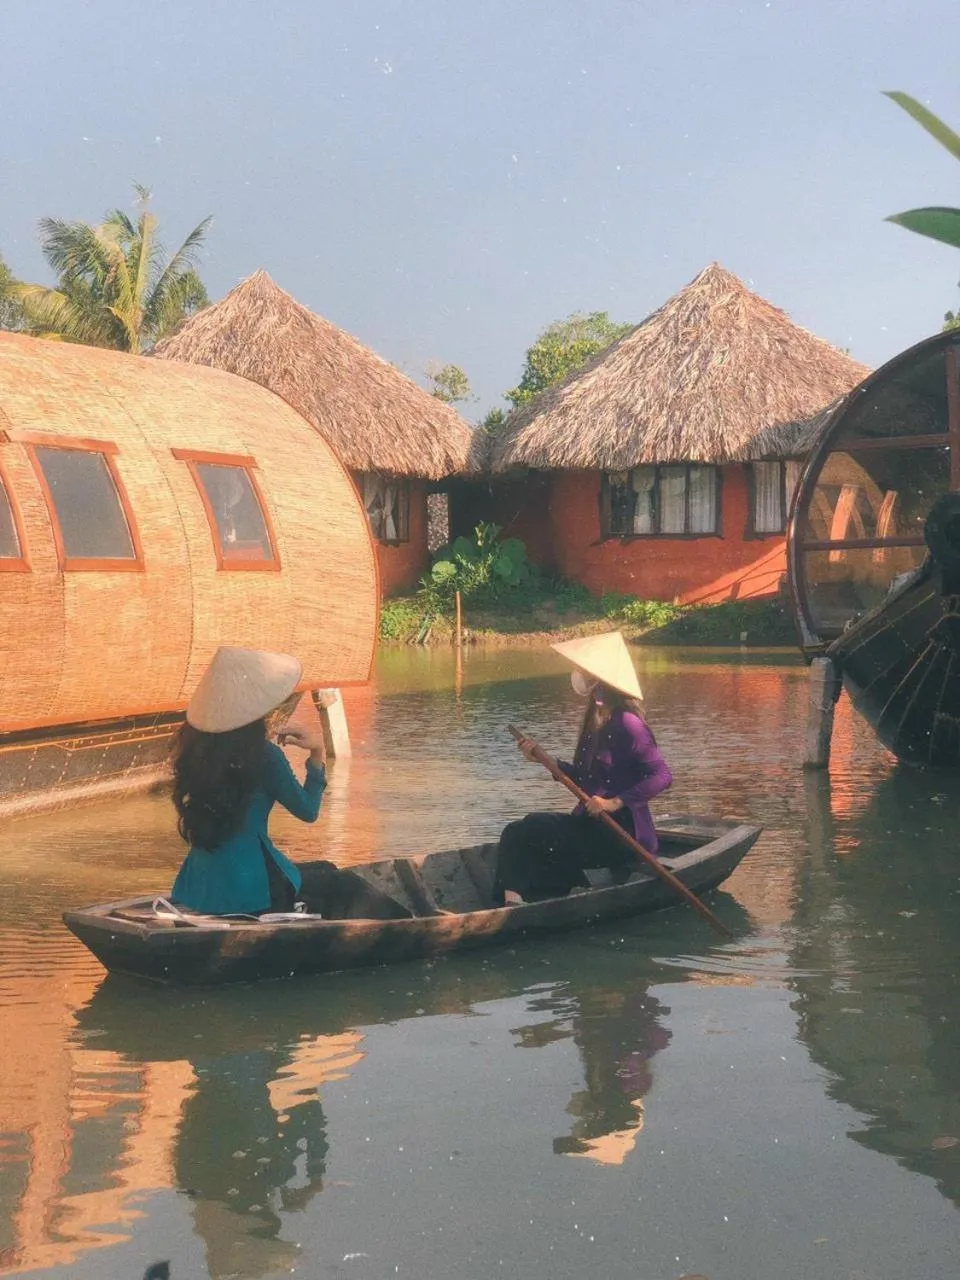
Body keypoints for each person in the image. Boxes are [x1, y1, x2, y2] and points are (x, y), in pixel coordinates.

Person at [494, 632, 672, 905]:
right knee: (520, 830)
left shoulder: (628, 723)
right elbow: (584, 778)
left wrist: (614, 802)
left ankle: (513, 905)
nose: (578, 675)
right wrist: (546, 761)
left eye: (584, 671)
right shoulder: (594, 723)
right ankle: (513, 902)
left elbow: (661, 775)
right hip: (592, 825)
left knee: (527, 829)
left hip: (623, 834)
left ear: (599, 681)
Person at [170, 646, 328, 916]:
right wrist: (318, 752)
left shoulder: (192, 748)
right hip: (252, 889)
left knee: (322, 869)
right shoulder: (265, 756)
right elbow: (308, 810)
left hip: (198, 886)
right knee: (335, 878)